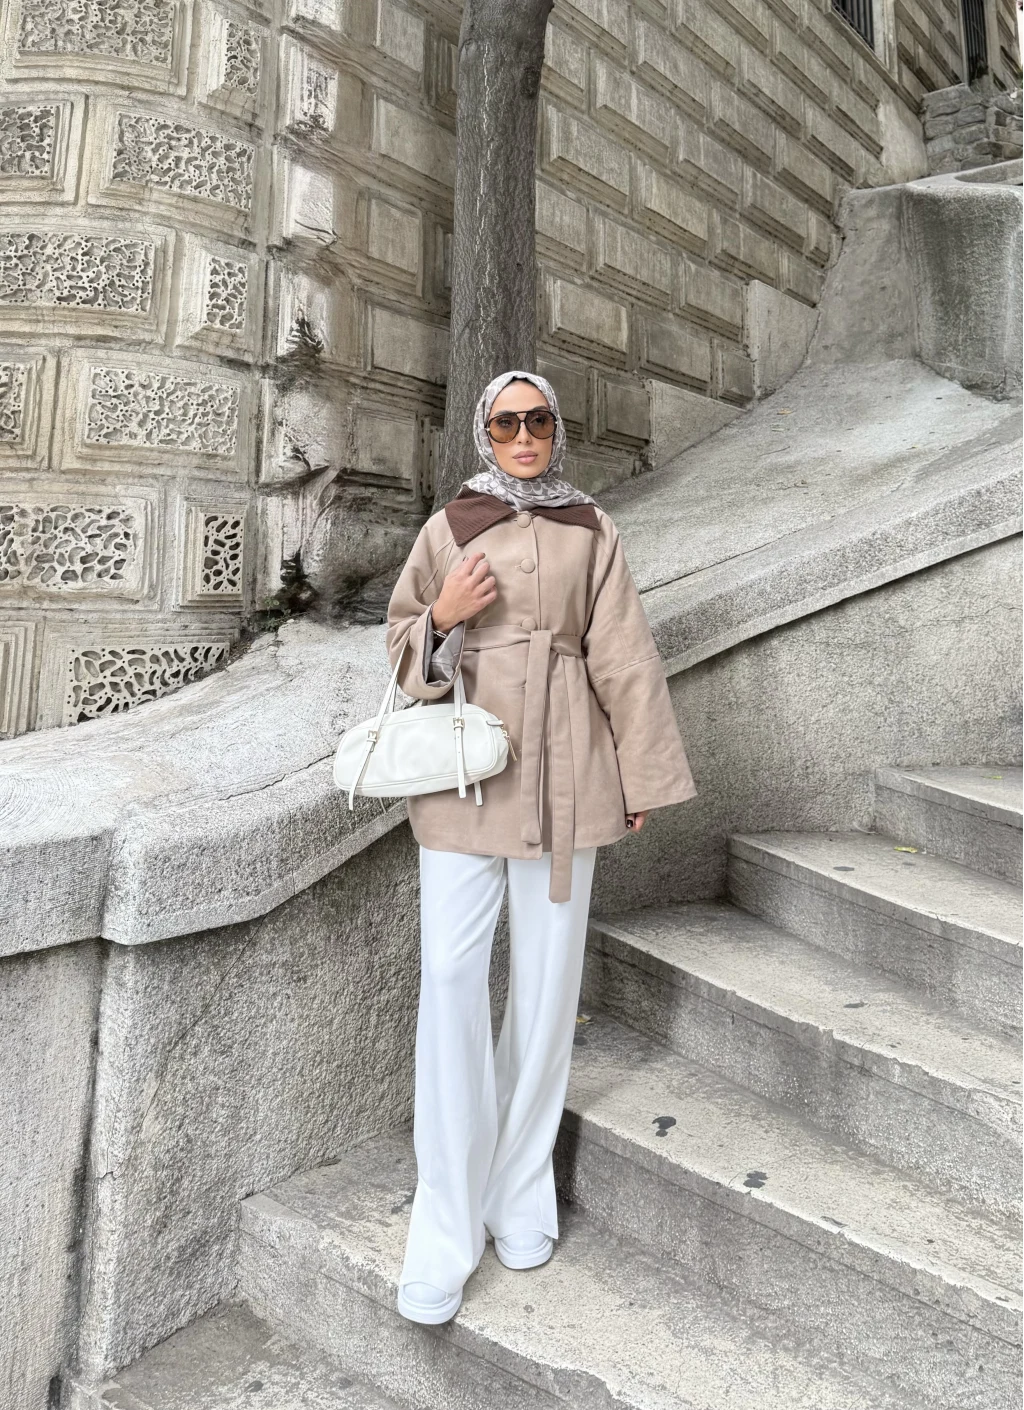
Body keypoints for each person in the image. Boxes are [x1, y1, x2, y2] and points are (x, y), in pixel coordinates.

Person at [385, 369, 697, 1325]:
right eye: (505, 423)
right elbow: (401, 652)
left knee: (548, 990)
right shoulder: (450, 527)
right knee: (450, 982)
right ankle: (444, 1227)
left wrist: (640, 777)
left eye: (537, 421)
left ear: (556, 429)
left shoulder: (591, 528)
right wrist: (444, 614)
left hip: (568, 778)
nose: (523, 437)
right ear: (485, 433)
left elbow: (625, 657)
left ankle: (519, 1195)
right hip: (464, 780)